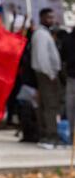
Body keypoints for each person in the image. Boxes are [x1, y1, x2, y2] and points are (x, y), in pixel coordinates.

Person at [31, 8, 63, 149]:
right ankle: (51, 135)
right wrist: (50, 74)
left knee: (46, 105)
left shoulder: (44, 34)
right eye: (49, 17)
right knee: (50, 106)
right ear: (42, 18)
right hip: (46, 75)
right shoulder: (41, 35)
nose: (52, 20)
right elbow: (42, 57)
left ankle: (47, 134)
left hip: (46, 74)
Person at [62, 28, 75, 142]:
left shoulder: (67, 39)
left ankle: (72, 135)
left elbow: (63, 59)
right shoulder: (68, 39)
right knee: (70, 108)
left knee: (71, 108)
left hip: (71, 77)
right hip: (72, 77)